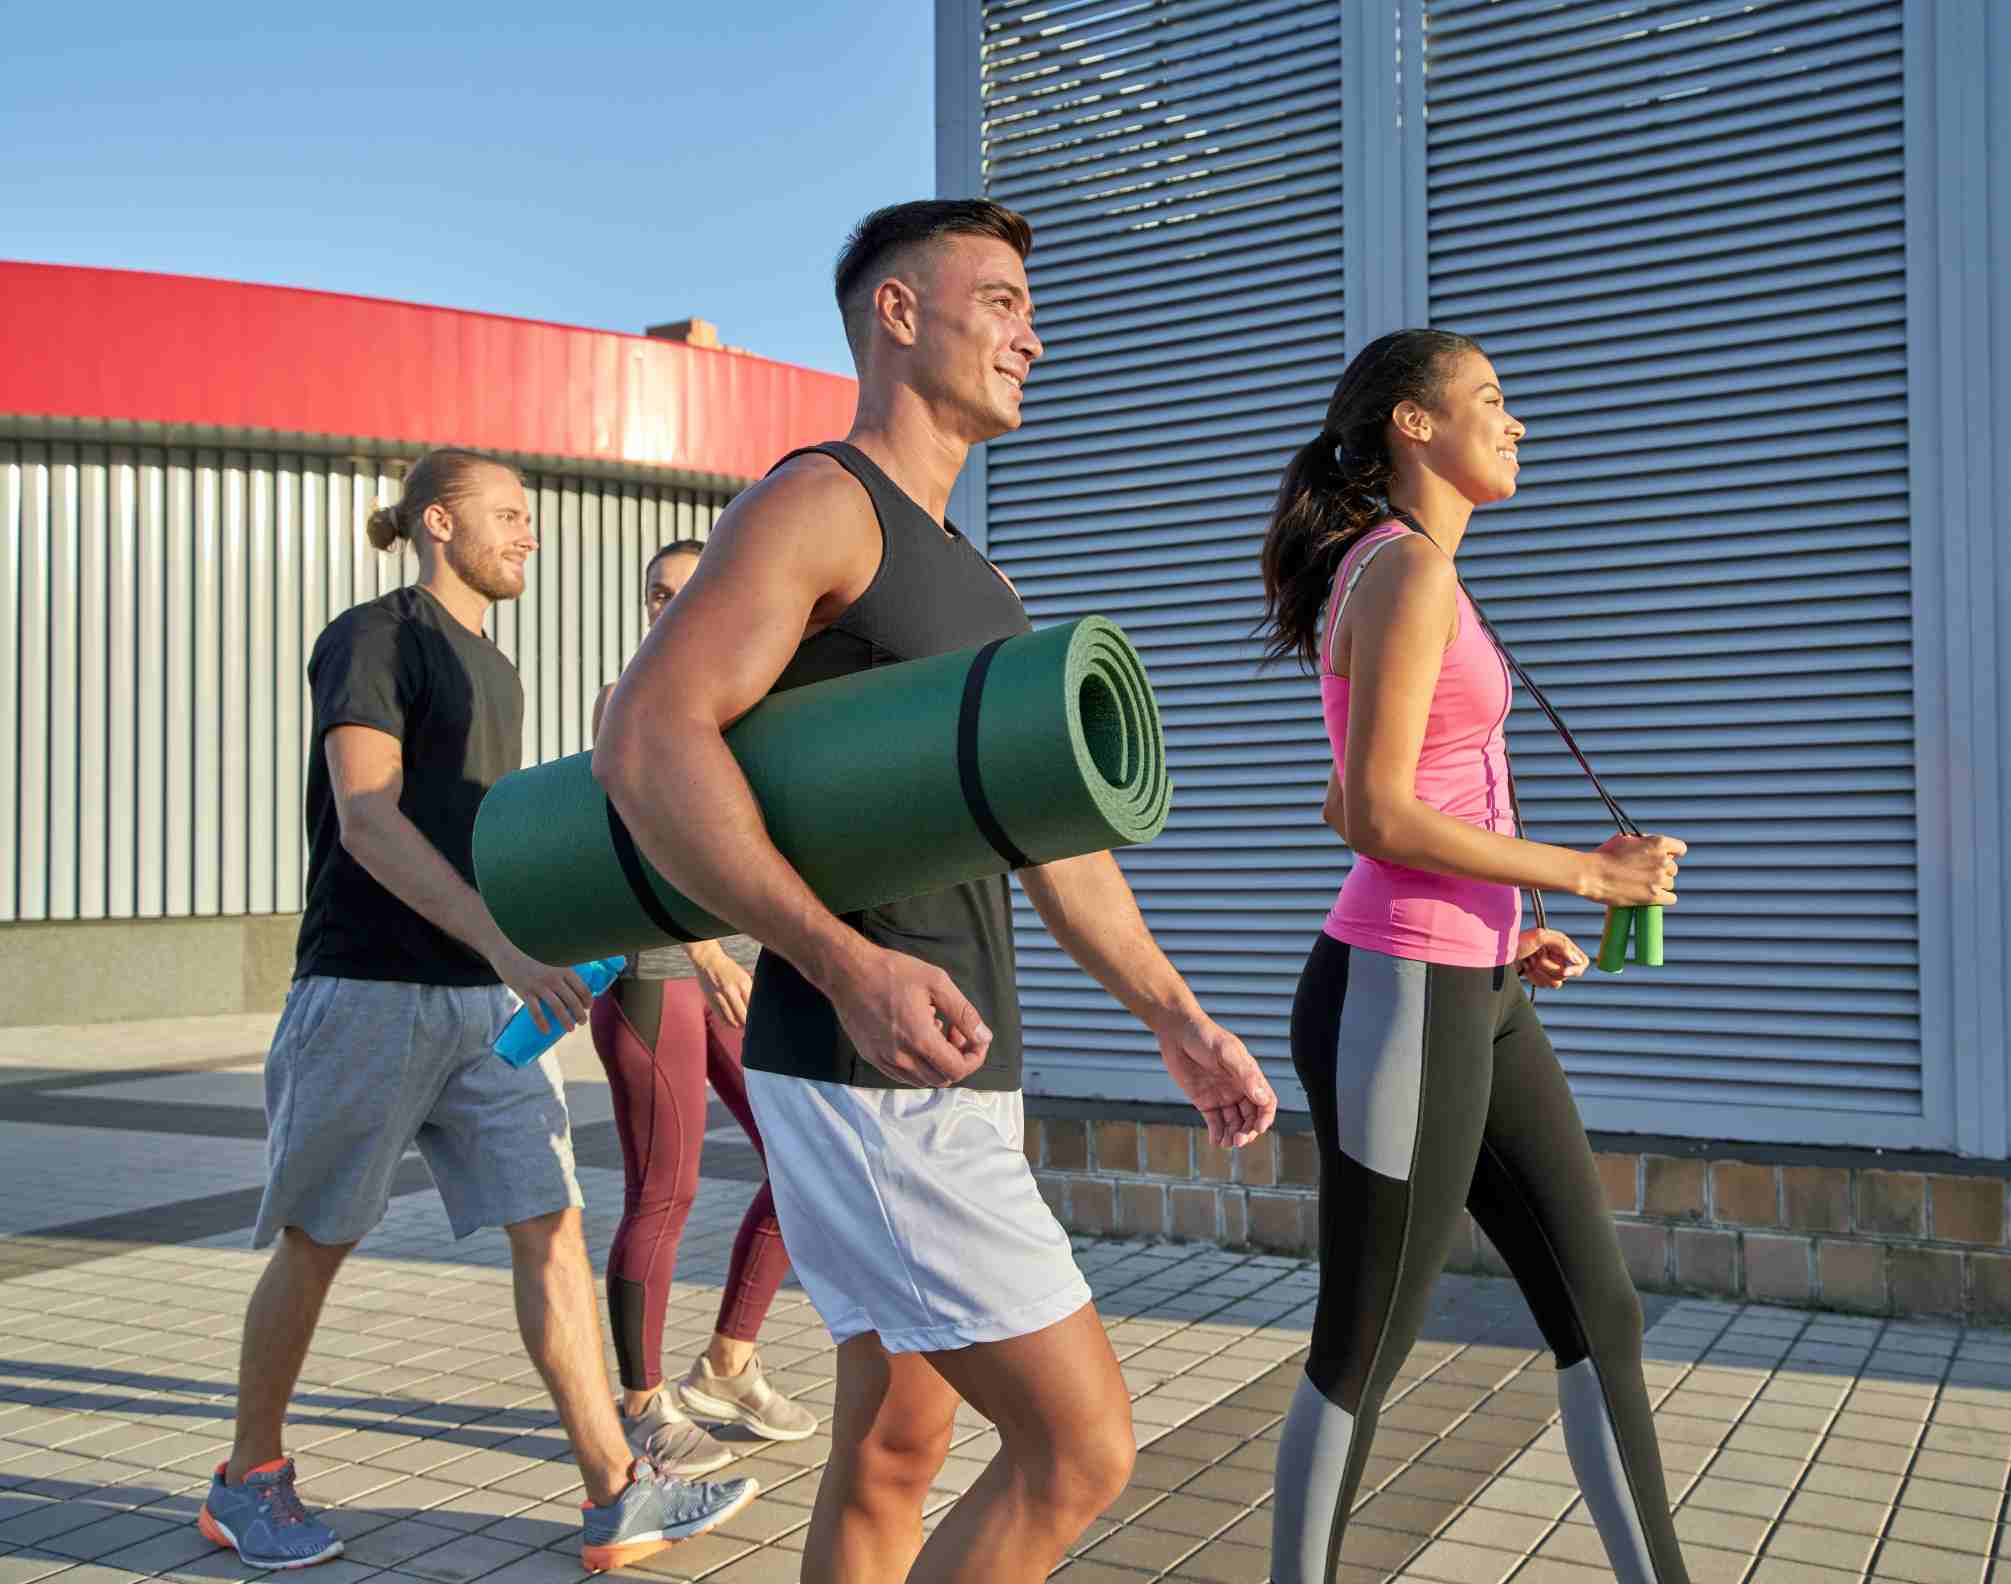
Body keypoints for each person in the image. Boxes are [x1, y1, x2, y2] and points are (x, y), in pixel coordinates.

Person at [594, 199, 1279, 1583]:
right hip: (869, 1062)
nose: (1034, 333)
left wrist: (1176, 1015)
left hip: (945, 1059)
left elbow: (1058, 846)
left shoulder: (979, 578)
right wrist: (846, 962)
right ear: (899, 314)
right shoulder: (818, 501)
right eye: (1005, 301)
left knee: (896, 1448)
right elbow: (646, 734)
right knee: (1079, 1449)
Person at [204, 450, 755, 1575]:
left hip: (485, 1005)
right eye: (509, 514)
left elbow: (482, 843)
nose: (530, 534)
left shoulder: (494, 667)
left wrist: (549, 932)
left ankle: (615, 1492)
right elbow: (367, 821)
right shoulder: (374, 637)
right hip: (366, 993)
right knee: (319, 1243)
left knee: (548, 1228)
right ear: (438, 521)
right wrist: (505, 945)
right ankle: (246, 1479)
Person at [1255, 329, 1695, 1583]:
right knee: (1365, 1345)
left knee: (1597, 1312)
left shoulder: (1416, 568)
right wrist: (1586, 873)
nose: (1517, 423)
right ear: (1412, 423)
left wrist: (1517, 922)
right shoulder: (1402, 573)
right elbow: (1374, 812)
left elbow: (1394, 799)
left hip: (1477, 984)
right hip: (1398, 989)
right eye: (1491, 401)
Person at [585, 539, 819, 1475]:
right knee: (663, 1191)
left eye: (687, 591)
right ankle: (641, 1405)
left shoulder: (745, 699)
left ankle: (728, 1362)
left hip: (740, 969)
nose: (667, 607)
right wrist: (702, 947)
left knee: (803, 1164)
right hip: (657, 971)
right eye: (655, 594)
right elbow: (631, 847)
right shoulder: (625, 704)